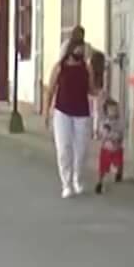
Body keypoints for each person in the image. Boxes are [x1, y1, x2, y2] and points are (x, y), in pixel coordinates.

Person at [41, 35, 95, 198]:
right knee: (64, 148)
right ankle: (66, 183)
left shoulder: (87, 68)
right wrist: (46, 112)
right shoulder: (60, 67)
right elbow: (50, 90)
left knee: (81, 149)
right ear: (70, 49)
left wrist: (100, 92)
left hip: (82, 112)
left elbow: (91, 89)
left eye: (82, 49)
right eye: (77, 48)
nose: (80, 51)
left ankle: (77, 179)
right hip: (62, 112)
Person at [93, 98, 126, 194]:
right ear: (106, 112)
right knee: (103, 167)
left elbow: (121, 133)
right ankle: (100, 183)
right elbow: (102, 134)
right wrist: (107, 135)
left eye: (116, 110)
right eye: (111, 110)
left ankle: (119, 172)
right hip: (106, 149)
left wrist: (117, 137)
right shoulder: (104, 122)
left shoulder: (120, 122)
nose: (114, 112)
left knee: (118, 163)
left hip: (117, 149)